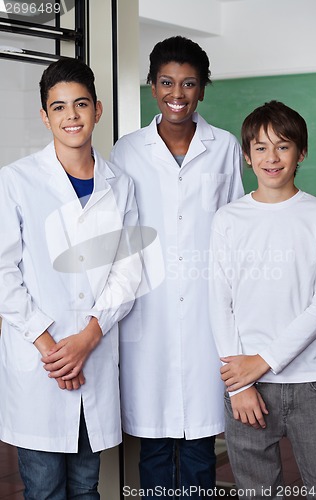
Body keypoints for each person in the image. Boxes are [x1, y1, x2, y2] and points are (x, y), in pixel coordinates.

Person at [0, 57, 141, 499]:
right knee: (43, 489)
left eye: (80, 104)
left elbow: (128, 268)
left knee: (85, 487)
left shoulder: (121, 184)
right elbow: (4, 272)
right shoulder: (16, 181)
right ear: (45, 116)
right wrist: (52, 349)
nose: (71, 116)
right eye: (59, 107)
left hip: (93, 353)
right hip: (40, 363)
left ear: (98, 110)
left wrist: (88, 338)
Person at [110, 36, 244, 497]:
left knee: (200, 447)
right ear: (152, 87)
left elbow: (233, 229)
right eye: (167, 82)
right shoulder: (126, 150)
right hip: (149, 309)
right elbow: (121, 235)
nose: (178, 94)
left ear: (203, 89)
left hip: (208, 313)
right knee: (153, 445)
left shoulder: (224, 146)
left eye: (189, 83)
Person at [209, 100, 316, 499]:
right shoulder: (228, 219)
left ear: (301, 152)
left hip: (311, 382)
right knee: (256, 492)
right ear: (247, 156)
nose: (272, 157)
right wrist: (237, 386)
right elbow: (219, 302)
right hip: (246, 385)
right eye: (260, 147)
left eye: (283, 145)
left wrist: (263, 361)